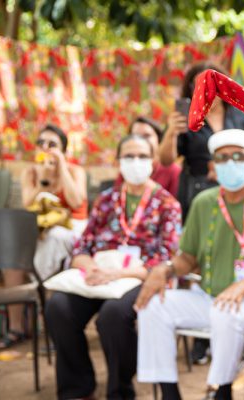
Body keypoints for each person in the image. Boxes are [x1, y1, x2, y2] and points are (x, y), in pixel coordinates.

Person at [135, 129, 244, 400]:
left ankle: (222, 391)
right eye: (222, 158)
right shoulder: (203, 203)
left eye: (238, 156)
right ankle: (170, 394)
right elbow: (188, 258)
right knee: (153, 306)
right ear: (212, 167)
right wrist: (165, 269)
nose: (230, 163)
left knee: (225, 312)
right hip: (207, 296)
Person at [45, 135, 181, 400]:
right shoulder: (106, 200)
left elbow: (166, 258)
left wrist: (118, 274)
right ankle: (77, 388)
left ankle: (120, 390)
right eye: (128, 156)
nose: (135, 161)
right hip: (98, 274)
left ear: (153, 161)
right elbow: (82, 246)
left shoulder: (167, 204)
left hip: (139, 277)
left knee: (113, 315)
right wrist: (90, 268)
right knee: (58, 307)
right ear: (118, 161)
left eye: (142, 156)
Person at [0, 124, 89, 349]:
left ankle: (52, 329)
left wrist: (61, 168)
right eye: (41, 143)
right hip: (39, 230)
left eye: (52, 144)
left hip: (71, 231)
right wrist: (43, 181)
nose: (46, 148)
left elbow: (76, 201)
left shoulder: (75, 171)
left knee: (54, 239)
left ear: (63, 150)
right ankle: (16, 328)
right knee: (12, 261)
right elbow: (28, 204)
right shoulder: (30, 172)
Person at [159, 63, 244, 220]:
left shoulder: (238, 114)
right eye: (199, 86)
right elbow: (165, 160)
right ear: (191, 89)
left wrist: (234, 165)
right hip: (198, 191)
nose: (206, 91)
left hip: (238, 189)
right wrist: (171, 132)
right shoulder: (186, 118)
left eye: (211, 85)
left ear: (223, 86)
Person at [116, 117, 182, 196]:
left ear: (159, 139)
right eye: (136, 135)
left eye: (147, 135)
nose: (141, 140)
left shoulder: (173, 171)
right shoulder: (128, 167)